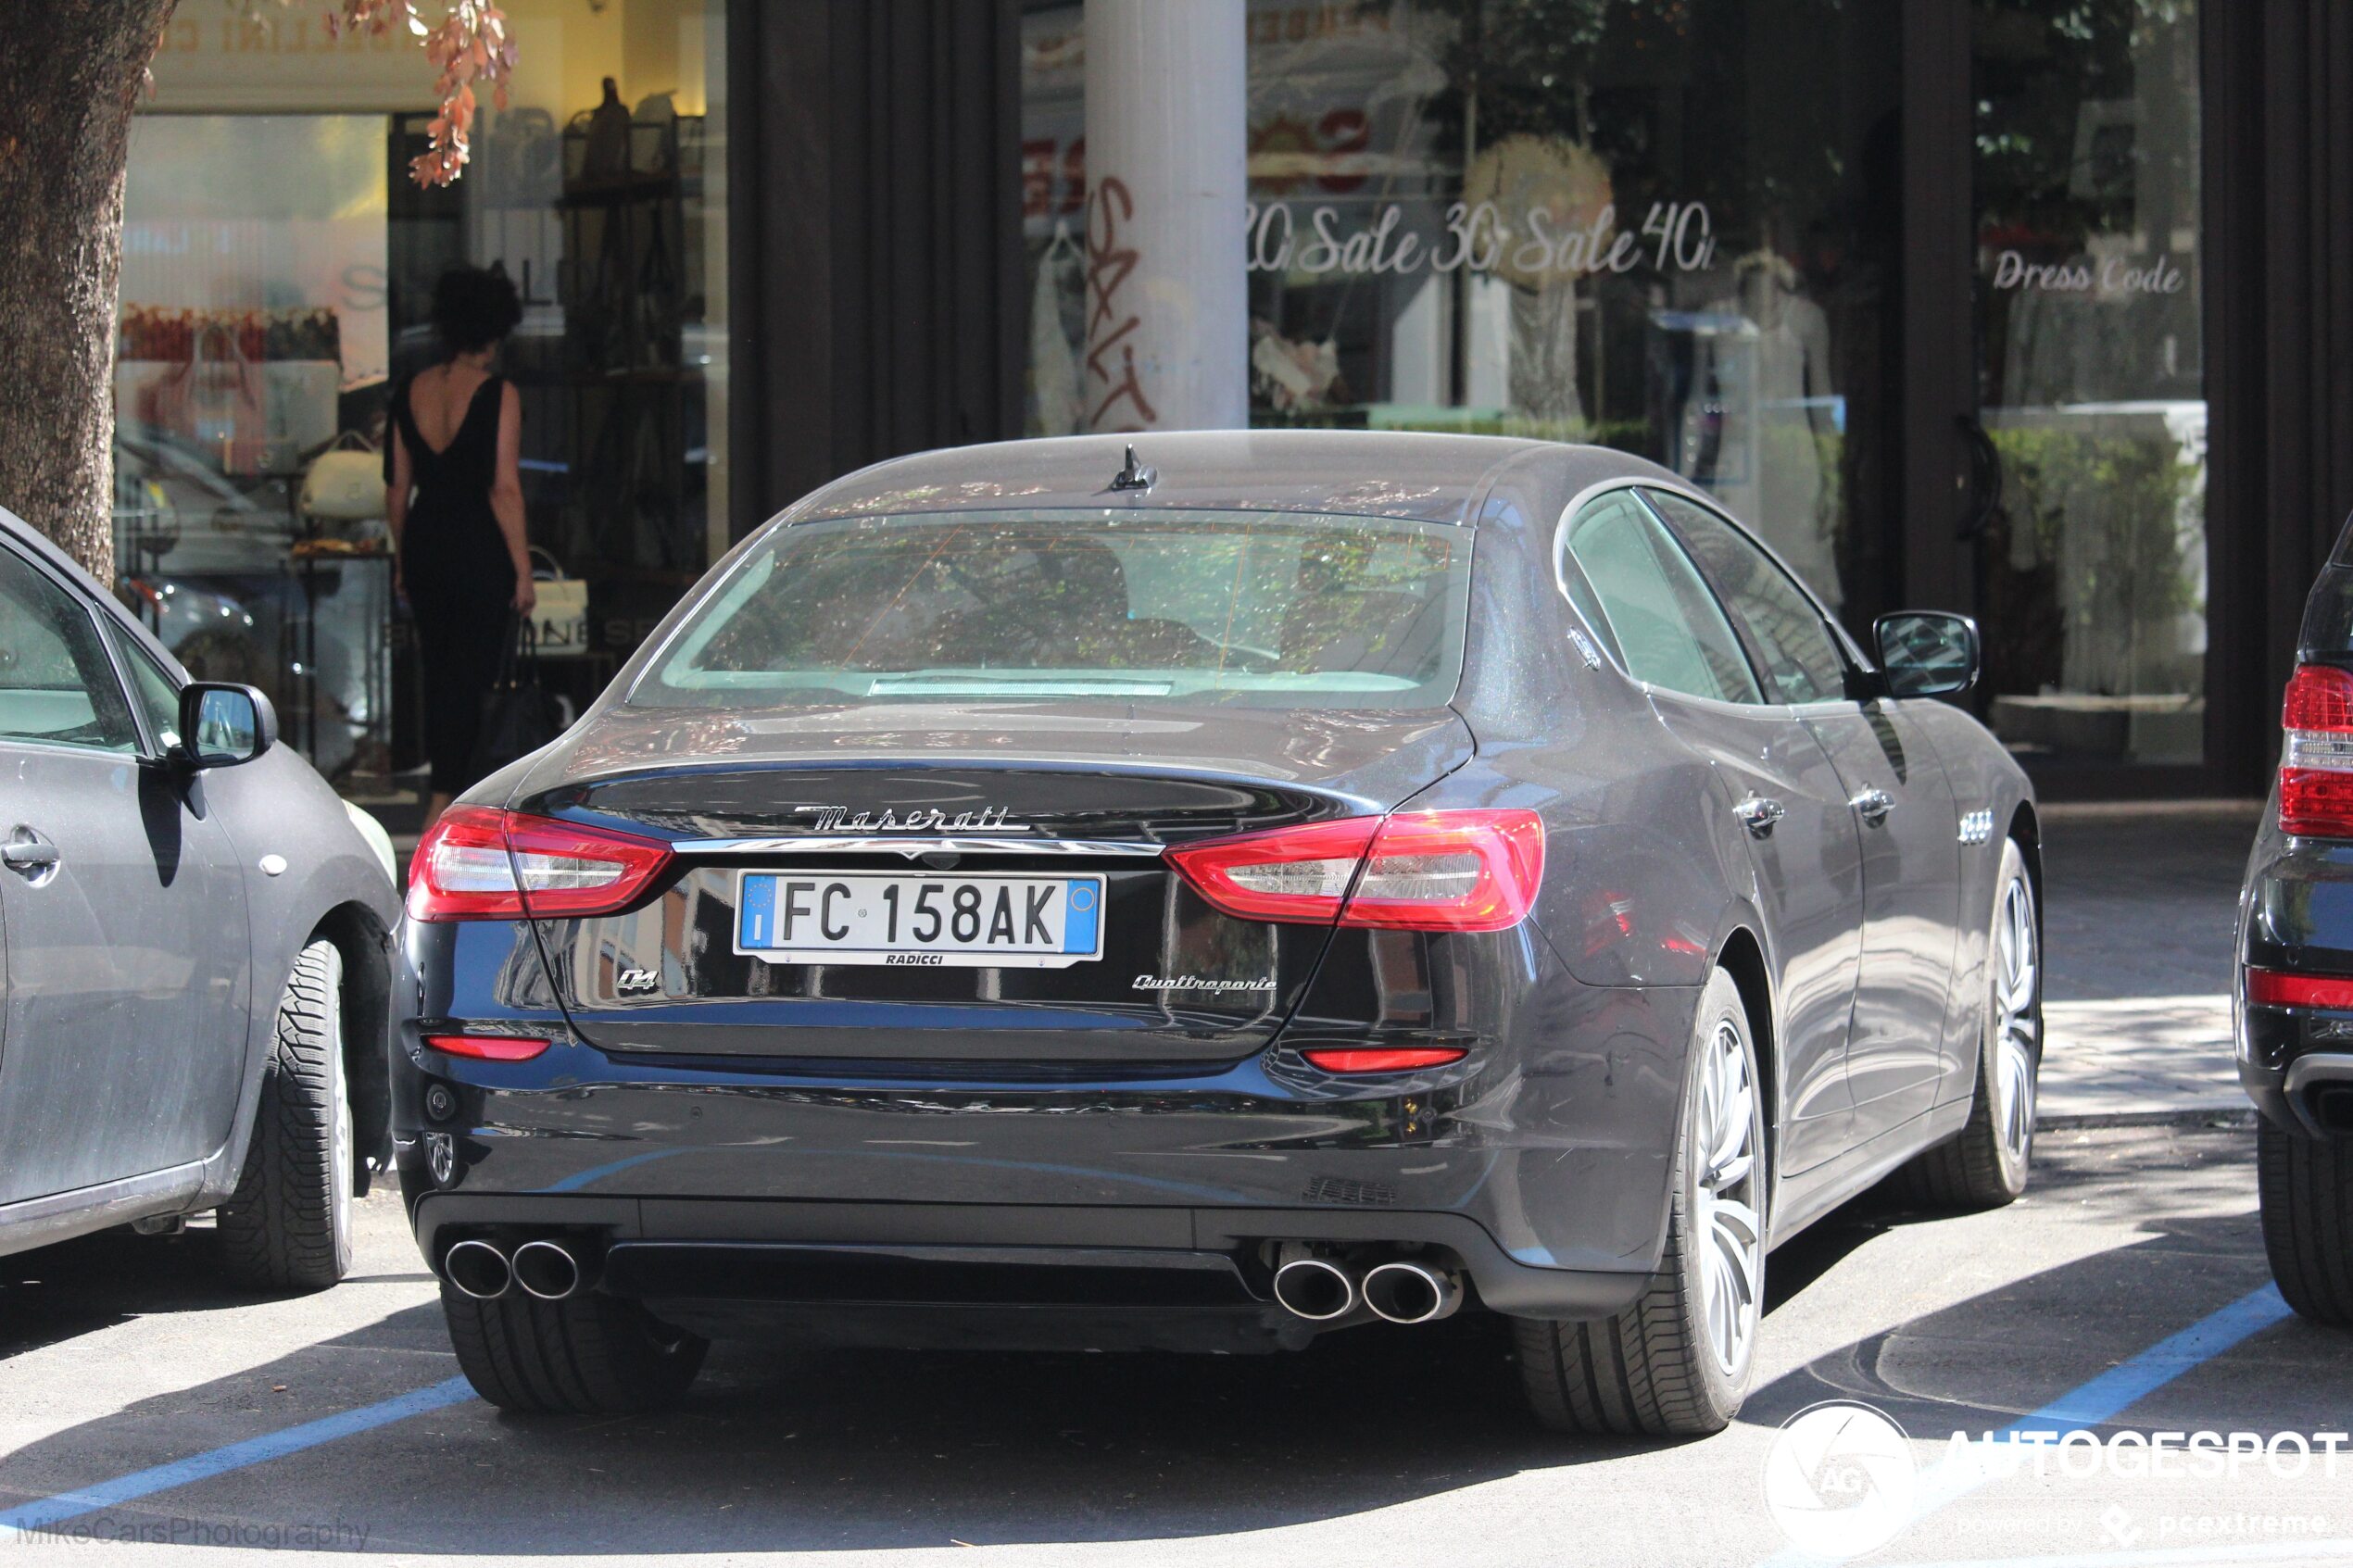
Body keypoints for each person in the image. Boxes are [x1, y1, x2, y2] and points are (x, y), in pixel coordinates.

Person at [385, 267, 535, 835]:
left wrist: (403, 557)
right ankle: (459, 802)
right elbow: (504, 488)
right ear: (496, 330)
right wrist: (523, 570)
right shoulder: (499, 394)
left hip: (426, 542)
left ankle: (441, 796)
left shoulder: (410, 391)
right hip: (479, 547)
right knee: (478, 679)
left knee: (439, 672)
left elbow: (397, 490)